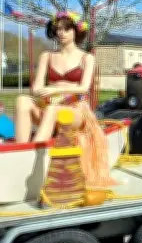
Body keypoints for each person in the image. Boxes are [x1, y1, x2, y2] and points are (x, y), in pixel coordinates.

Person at [14, 11, 114, 187]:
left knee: (53, 110)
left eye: (66, 29)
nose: (61, 33)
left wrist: (55, 89)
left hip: (75, 111)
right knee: (22, 100)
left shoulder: (86, 57)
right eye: (58, 29)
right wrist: (52, 91)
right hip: (48, 108)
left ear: (76, 31)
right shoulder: (47, 56)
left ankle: (34, 158)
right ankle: (19, 152)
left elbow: (84, 88)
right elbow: (37, 88)